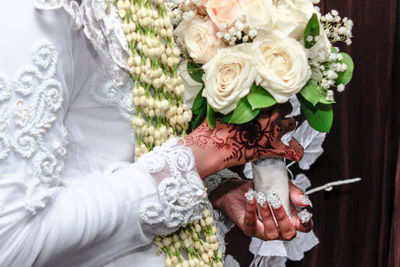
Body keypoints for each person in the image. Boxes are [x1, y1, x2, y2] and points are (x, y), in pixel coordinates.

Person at [0, 1, 313, 266]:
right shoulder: (47, 9)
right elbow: (13, 242)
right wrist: (199, 157)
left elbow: (127, 143)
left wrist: (217, 188)